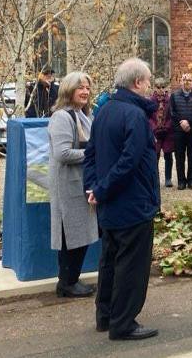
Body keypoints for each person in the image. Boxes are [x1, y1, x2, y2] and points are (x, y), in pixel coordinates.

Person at [84, 58, 159, 340]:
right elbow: (130, 162)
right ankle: (123, 323)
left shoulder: (104, 111)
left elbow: (90, 154)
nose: (150, 87)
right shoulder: (135, 115)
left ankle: (105, 316)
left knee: (109, 261)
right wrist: (100, 189)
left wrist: (93, 187)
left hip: (111, 204)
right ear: (137, 82)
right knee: (131, 266)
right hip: (133, 203)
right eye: (148, 81)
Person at [48, 71, 98, 298]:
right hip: (68, 187)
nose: (85, 91)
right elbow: (62, 153)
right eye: (80, 88)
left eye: (87, 87)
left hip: (81, 183)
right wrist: (94, 153)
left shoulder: (84, 114)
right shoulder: (62, 117)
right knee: (71, 236)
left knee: (80, 234)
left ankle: (71, 280)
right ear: (69, 91)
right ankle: (66, 283)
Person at [169, 73, 192, 190]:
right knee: (179, 157)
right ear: (181, 82)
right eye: (184, 80)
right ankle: (181, 181)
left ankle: (191, 180)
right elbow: (172, 112)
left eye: (189, 80)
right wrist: (181, 122)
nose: (187, 82)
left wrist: (188, 122)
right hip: (179, 131)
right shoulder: (174, 96)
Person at [149, 78, 174, 188]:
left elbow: (172, 116)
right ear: (154, 88)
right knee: (155, 155)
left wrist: (167, 126)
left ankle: (168, 178)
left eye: (163, 87)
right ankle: (156, 179)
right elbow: (148, 117)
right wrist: (154, 127)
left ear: (166, 88)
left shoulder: (170, 100)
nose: (160, 90)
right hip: (155, 132)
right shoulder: (150, 101)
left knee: (168, 155)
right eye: (158, 87)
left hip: (167, 132)